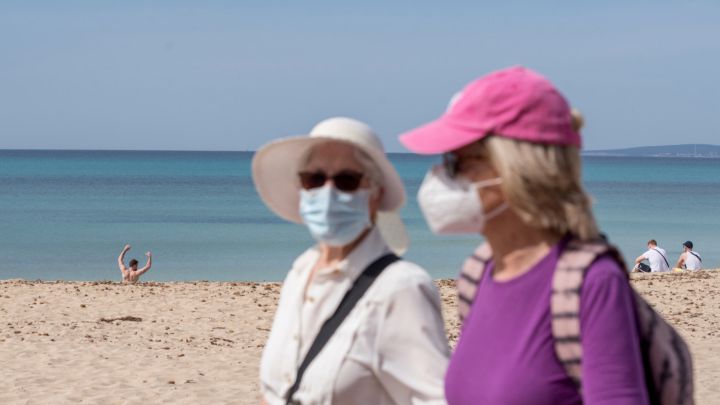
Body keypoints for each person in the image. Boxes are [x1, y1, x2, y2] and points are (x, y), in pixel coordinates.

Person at [399, 66, 649, 404]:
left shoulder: (592, 283)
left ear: (514, 167)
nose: (438, 176)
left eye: (457, 161)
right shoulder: (477, 273)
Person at [253, 117, 449, 405]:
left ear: (375, 194)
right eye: (314, 179)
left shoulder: (400, 288)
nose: (328, 192)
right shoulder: (300, 271)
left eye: (347, 181)